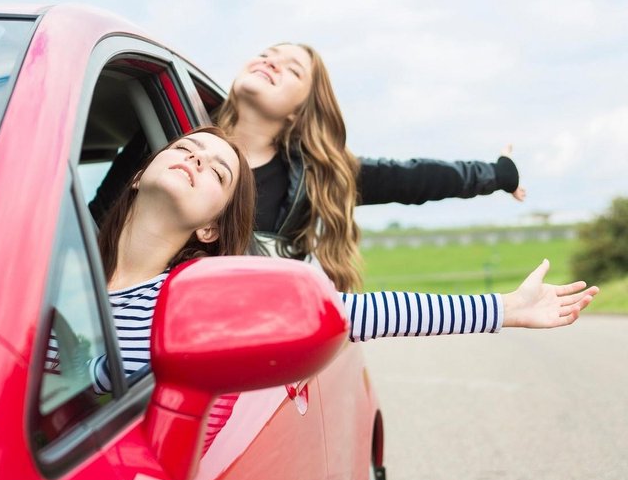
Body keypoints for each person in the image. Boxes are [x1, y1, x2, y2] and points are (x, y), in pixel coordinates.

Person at [86, 127, 598, 395]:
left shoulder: (196, 299)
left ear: (211, 227)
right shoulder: (44, 263)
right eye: (186, 147)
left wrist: (503, 308)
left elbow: (351, 313)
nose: (197, 157)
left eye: (219, 173)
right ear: (135, 176)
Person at [214, 44, 525, 290]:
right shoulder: (179, 143)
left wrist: (496, 175)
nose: (270, 62)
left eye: (292, 69)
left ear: (299, 112)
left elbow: (412, 178)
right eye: (265, 54)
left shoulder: (315, 177)